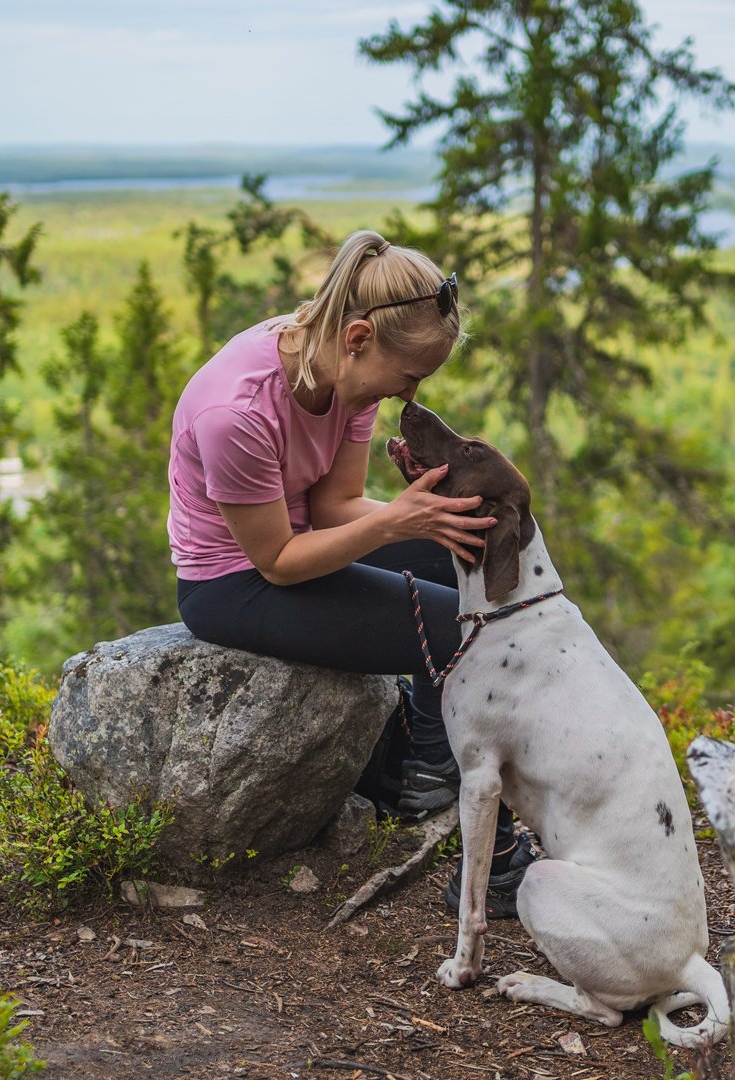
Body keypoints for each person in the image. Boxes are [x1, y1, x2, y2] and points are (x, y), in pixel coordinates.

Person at [169, 229, 535, 917]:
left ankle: (425, 767)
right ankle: (495, 865)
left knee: (463, 552)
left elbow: (334, 506)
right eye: (410, 376)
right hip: (233, 584)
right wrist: (398, 521)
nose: (413, 394)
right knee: (460, 626)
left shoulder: (345, 377)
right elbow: (276, 561)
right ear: (360, 336)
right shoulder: (236, 412)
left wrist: (424, 516)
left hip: (303, 543)